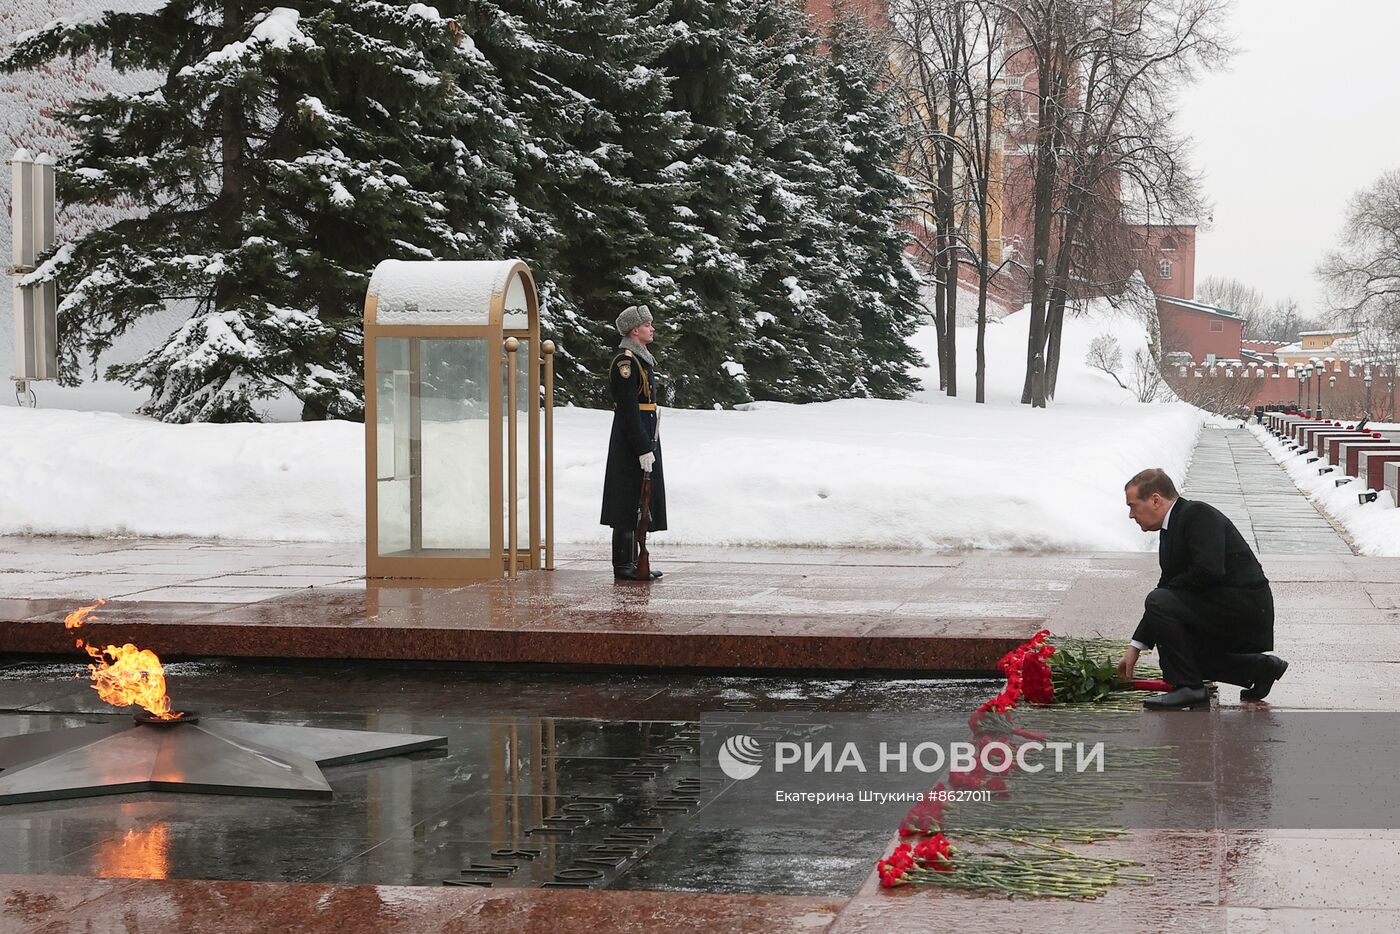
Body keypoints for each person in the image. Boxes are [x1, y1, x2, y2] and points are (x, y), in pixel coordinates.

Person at [1117, 468, 1288, 710]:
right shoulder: (1172, 527)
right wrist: (1135, 647)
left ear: (1155, 500)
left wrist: (1167, 595)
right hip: (1223, 607)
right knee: (1182, 655)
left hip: (1244, 609)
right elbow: (1167, 588)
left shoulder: (1197, 514)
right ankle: (1260, 669)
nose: (1131, 515)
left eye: (1133, 505)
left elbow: (1209, 570)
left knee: (1161, 604)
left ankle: (1189, 687)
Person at [600, 304, 667, 581]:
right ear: (634, 330)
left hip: (643, 435)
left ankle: (634, 560)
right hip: (631, 439)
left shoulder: (641, 359)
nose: (652, 328)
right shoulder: (626, 362)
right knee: (626, 499)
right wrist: (641, 448)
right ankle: (623, 564)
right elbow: (628, 409)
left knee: (640, 499)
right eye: (648, 324)